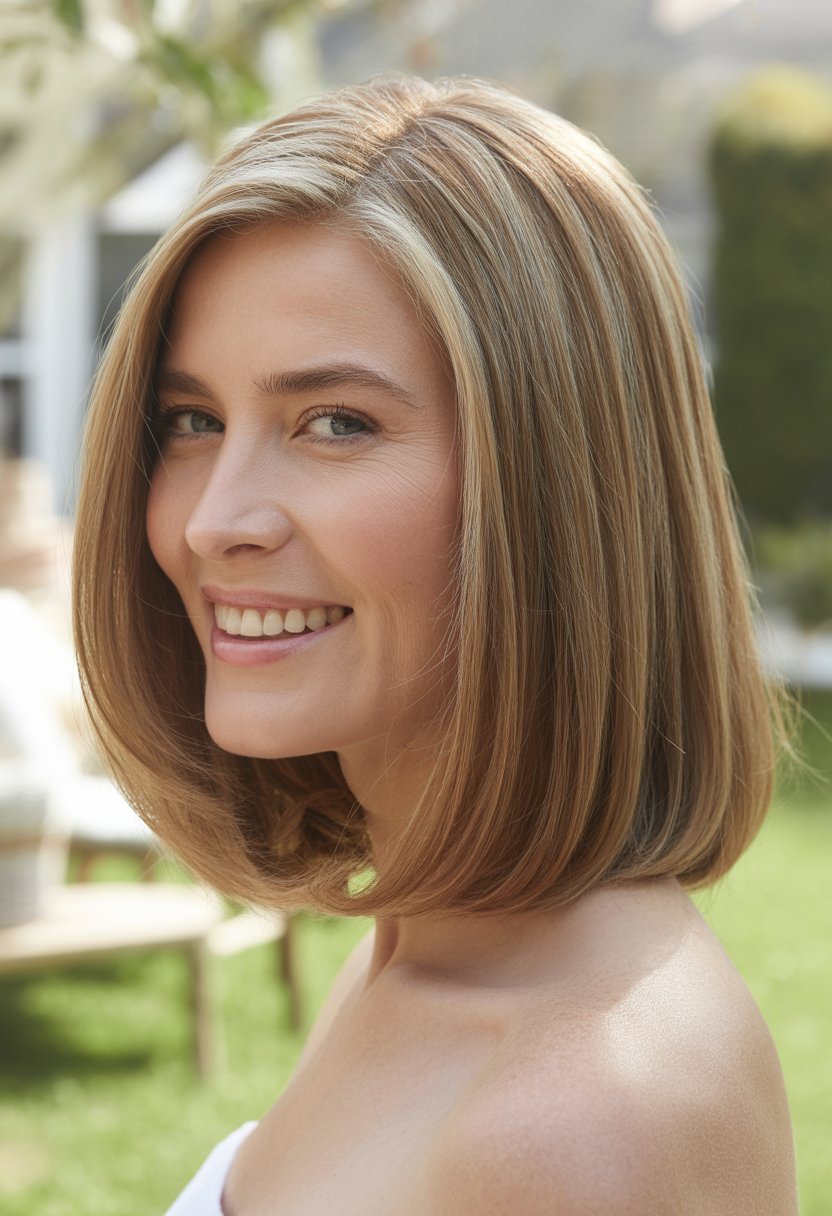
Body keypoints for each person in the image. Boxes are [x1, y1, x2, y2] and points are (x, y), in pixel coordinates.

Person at [72, 74, 798, 1214]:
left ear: (553, 488)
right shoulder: (411, 954)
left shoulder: (570, 1130)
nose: (214, 519)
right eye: (194, 420)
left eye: (335, 423)